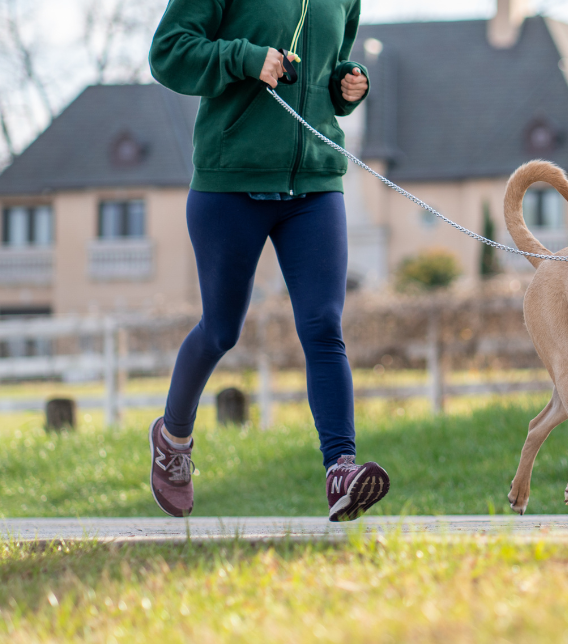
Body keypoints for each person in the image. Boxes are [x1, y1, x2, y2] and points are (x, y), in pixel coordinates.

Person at [146, 0, 389, 521]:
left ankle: (340, 470)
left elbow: (327, 70)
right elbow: (167, 54)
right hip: (230, 181)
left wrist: (347, 84)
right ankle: (172, 440)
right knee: (220, 330)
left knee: (324, 324)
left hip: (315, 186)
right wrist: (244, 57)